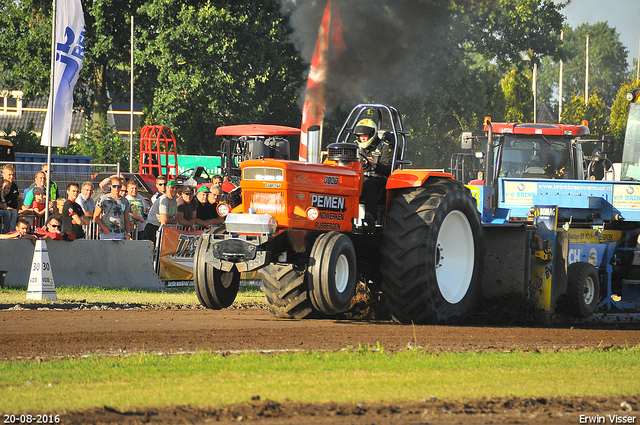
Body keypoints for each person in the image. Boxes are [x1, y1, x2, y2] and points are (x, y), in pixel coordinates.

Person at [354, 118, 394, 225]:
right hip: (361, 176)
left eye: (365, 135)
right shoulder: (356, 148)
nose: (362, 138)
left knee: (369, 184)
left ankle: (370, 217)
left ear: (372, 134)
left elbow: (388, 169)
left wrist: (375, 165)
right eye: (360, 135)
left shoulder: (384, 146)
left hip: (380, 178)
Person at [142, 179, 193, 245]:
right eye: (172, 187)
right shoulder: (164, 199)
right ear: (167, 188)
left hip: (163, 229)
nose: (174, 190)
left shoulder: (174, 200)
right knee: (151, 253)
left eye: (176, 188)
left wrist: (173, 219)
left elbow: (177, 219)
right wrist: (174, 218)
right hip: (153, 228)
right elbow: (165, 220)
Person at [94, 176, 132, 240]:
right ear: (111, 186)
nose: (116, 188)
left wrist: (128, 233)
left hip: (121, 234)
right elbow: (96, 216)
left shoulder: (125, 201)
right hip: (107, 233)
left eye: (119, 186)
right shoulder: (103, 199)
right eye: (114, 186)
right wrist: (104, 228)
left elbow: (126, 219)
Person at [1, 164, 22, 233]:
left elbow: (20, 199)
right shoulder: (1, 184)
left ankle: (11, 231)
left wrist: (18, 210)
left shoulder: (14, 186)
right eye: (9, 175)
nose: (11, 177)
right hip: (4, 209)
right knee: (9, 213)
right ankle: (7, 232)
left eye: (13, 175)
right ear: (3, 174)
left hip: (11, 209)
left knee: (13, 212)